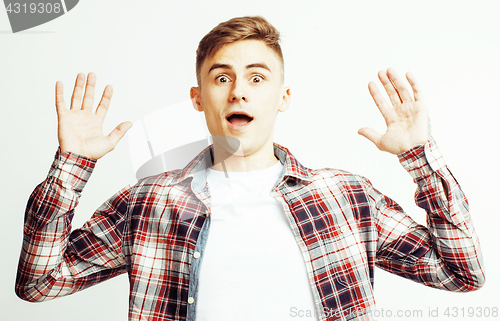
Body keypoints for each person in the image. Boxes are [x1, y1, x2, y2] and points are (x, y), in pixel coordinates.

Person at [16, 16, 484, 321]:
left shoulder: (347, 196)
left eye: (257, 77)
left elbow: (462, 274)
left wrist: (420, 158)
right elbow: (39, 284)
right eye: (222, 77)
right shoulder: (146, 203)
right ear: (198, 98)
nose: (239, 91)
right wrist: (72, 166)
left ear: (282, 97)